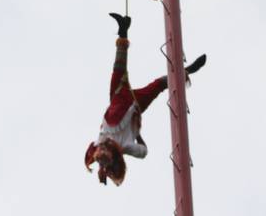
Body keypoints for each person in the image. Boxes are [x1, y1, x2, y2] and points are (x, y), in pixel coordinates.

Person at [85, 13, 206, 185]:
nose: (103, 146)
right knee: (158, 85)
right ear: (113, 153)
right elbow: (143, 152)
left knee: (118, 68)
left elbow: (92, 155)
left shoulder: (99, 146)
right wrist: (137, 133)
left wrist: (101, 168)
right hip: (134, 105)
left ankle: (123, 29)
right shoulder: (125, 146)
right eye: (105, 149)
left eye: (101, 150)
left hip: (117, 97)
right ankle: (188, 71)